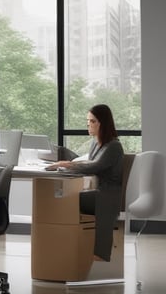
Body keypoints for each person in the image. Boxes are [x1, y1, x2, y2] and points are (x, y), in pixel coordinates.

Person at [46, 104, 124, 262]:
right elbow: (89, 164)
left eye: (92, 121)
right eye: (88, 121)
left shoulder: (114, 146)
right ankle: (65, 246)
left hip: (107, 195)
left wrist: (66, 165)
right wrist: (64, 167)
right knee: (63, 197)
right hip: (97, 190)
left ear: (102, 123)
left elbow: (95, 166)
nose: (88, 124)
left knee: (65, 198)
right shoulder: (96, 142)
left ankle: (89, 253)